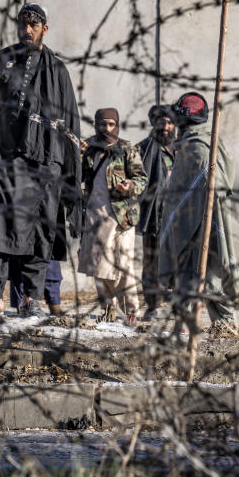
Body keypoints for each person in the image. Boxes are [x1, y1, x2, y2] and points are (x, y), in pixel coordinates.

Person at [0, 3, 82, 318]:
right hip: (4, 161)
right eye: (23, 24)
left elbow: (68, 121)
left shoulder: (57, 70)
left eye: (34, 24)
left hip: (43, 163)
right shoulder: (3, 60)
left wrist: (64, 165)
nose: (27, 29)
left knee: (40, 228)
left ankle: (30, 299)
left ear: (44, 29)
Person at [158, 92, 239, 330]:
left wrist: (204, 216)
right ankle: (182, 330)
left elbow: (217, 187)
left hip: (206, 225)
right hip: (187, 224)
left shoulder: (201, 148)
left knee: (211, 278)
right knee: (184, 279)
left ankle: (225, 329)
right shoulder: (192, 144)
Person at [77, 108, 147, 323]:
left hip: (121, 216)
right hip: (95, 215)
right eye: (102, 124)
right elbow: (78, 176)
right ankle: (108, 309)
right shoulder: (89, 148)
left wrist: (130, 185)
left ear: (116, 125)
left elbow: (142, 179)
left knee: (122, 265)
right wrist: (78, 154)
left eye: (110, 124)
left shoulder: (127, 149)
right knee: (99, 265)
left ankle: (131, 312)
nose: (106, 128)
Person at [136, 104, 177, 319]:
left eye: (170, 122)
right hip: (154, 213)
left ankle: (179, 306)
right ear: (154, 123)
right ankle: (152, 306)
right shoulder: (143, 149)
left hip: (179, 216)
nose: (166, 127)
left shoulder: (182, 149)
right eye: (162, 122)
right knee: (151, 261)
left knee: (179, 260)